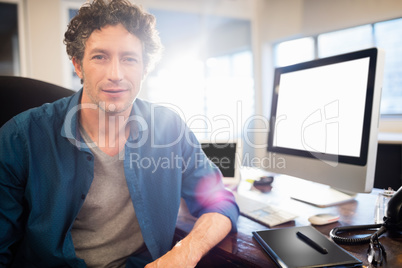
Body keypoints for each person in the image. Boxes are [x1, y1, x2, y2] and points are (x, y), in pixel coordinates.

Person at [0, 0, 239, 267]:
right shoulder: (20, 137)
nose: (116, 74)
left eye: (129, 59)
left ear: (145, 68)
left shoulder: (170, 129)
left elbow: (221, 201)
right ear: (78, 65)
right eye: (100, 57)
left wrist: (184, 253)